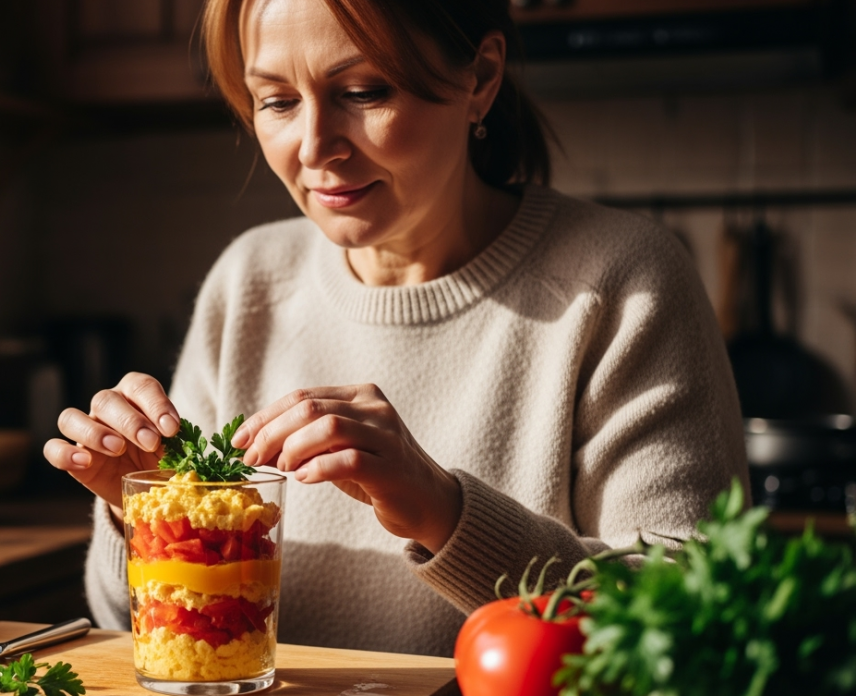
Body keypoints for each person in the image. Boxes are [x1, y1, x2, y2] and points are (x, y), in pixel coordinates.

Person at [43, 0, 746, 657]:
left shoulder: (624, 281)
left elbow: (693, 621)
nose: (315, 147)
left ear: (481, 78)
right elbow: (145, 636)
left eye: (364, 91)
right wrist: (146, 509)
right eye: (277, 101)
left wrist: (446, 512)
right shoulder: (249, 279)